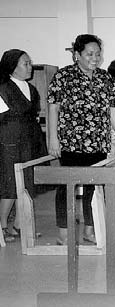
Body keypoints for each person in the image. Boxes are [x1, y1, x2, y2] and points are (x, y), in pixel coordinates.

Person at [48, 34, 115, 245]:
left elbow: (112, 108)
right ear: (77, 55)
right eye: (90, 54)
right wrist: (53, 139)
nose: (95, 58)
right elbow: (53, 108)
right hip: (71, 141)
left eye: (98, 54)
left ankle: (90, 230)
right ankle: (64, 233)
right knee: (67, 187)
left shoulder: (104, 77)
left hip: (98, 141)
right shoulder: (63, 76)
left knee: (94, 187)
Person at [0, 49, 47, 242]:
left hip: (30, 139)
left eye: (29, 62)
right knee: (10, 184)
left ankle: (20, 225)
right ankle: (2, 226)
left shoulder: (32, 89)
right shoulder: (2, 88)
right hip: (9, 141)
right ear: (13, 67)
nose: (30, 67)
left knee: (28, 182)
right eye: (25, 63)